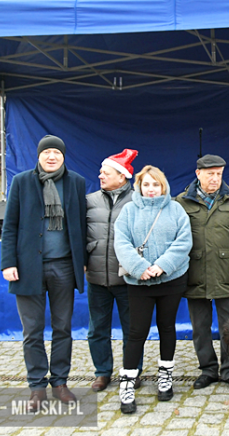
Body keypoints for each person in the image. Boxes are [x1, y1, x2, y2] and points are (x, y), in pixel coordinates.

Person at [0, 135, 87, 411]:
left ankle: (60, 382)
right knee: (32, 330)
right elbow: (9, 225)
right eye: (47, 152)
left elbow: (82, 226)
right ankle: (37, 386)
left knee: (63, 328)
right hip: (28, 268)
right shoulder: (22, 182)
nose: (52, 157)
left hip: (64, 266)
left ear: (63, 156)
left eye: (56, 153)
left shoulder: (76, 182)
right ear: (38, 156)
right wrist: (8, 262)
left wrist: (82, 261)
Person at [113, 166, 193, 414]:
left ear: (163, 186)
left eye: (155, 185)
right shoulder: (128, 210)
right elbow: (121, 242)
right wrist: (140, 268)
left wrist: (162, 266)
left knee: (167, 327)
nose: (151, 189)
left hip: (171, 279)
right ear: (139, 186)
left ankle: (165, 377)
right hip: (140, 282)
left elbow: (184, 241)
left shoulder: (176, 209)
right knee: (136, 332)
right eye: (146, 184)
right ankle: (127, 384)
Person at [177, 154, 229, 391]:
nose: (215, 179)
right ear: (198, 174)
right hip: (195, 275)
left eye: (219, 174)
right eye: (210, 174)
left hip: (226, 274)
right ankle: (208, 369)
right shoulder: (181, 202)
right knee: (200, 328)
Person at [86, 149, 143, 393]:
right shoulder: (89, 201)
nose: (100, 176)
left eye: (105, 172)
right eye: (100, 172)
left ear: (122, 176)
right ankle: (102, 372)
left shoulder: (138, 200)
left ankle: (133, 371)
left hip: (127, 279)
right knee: (97, 329)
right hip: (97, 278)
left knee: (132, 329)